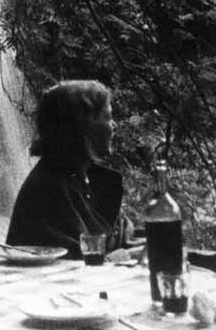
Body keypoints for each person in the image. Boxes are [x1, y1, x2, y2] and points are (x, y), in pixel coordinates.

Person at [7, 79, 133, 259]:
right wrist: (128, 255)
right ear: (84, 126)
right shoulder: (49, 190)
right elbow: (76, 265)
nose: (114, 126)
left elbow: (120, 233)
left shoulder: (86, 177)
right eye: (108, 117)